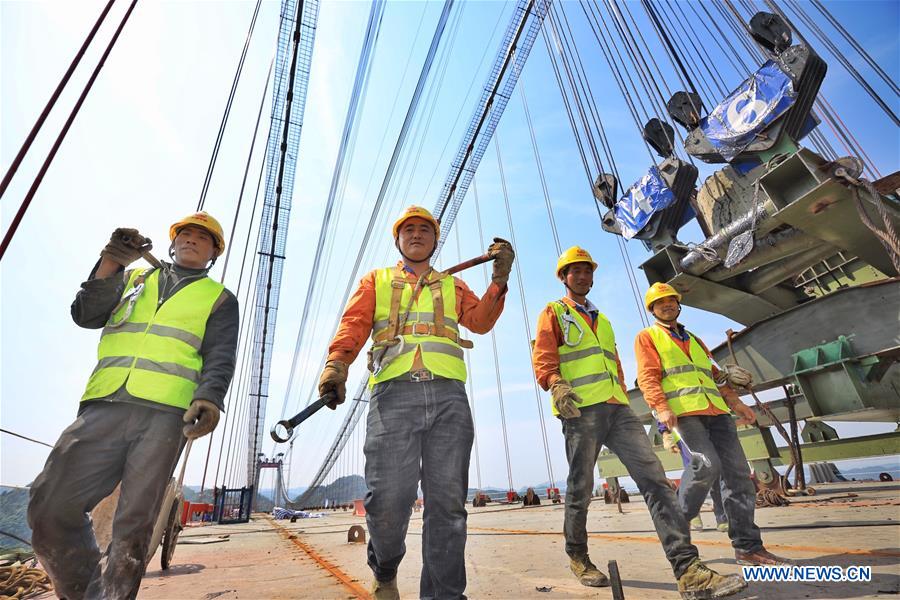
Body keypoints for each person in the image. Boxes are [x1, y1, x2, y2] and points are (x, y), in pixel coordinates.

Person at [28, 212, 239, 599]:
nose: (192, 240)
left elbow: (220, 356)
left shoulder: (219, 299)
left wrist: (209, 399)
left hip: (165, 416)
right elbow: (85, 314)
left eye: (203, 238)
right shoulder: (132, 279)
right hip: (105, 403)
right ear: (171, 244)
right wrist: (112, 260)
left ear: (213, 254)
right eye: (185, 234)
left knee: (133, 525)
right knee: (50, 504)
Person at [317, 206, 514, 600]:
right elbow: (354, 323)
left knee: (448, 506)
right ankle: (385, 568)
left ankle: (444, 595)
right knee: (389, 500)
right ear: (398, 240)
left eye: (426, 229)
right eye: (409, 229)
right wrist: (336, 366)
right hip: (394, 394)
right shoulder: (377, 280)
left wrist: (499, 279)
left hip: (448, 397)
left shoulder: (452, 285)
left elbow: (479, 321)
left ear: (435, 240)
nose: (418, 234)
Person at [531, 246, 746, 598]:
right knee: (580, 487)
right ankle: (578, 555)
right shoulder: (554, 312)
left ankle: (688, 570)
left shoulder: (604, 321)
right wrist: (554, 384)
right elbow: (543, 355)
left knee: (656, 481)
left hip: (618, 409)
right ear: (564, 278)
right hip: (580, 411)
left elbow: (612, 362)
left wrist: (618, 389)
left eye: (587, 271)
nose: (582, 276)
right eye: (575, 271)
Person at [636, 282, 792, 566]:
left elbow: (717, 377)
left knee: (739, 477)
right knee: (706, 465)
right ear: (653, 309)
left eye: (671, 301)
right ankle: (675, 527)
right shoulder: (648, 337)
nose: (667, 305)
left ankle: (748, 547)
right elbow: (648, 377)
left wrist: (739, 404)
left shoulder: (695, 340)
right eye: (661, 303)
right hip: (685, 414)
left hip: (717, 413)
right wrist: (661, 409)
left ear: (678, 305)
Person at [658, 422, 729, 532]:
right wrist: (665, 432)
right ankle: (690, 511)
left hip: (706, 425)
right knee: (697, 470)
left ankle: (722, 518)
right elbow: (660, 409)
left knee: (714, 471)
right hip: (684, 429)